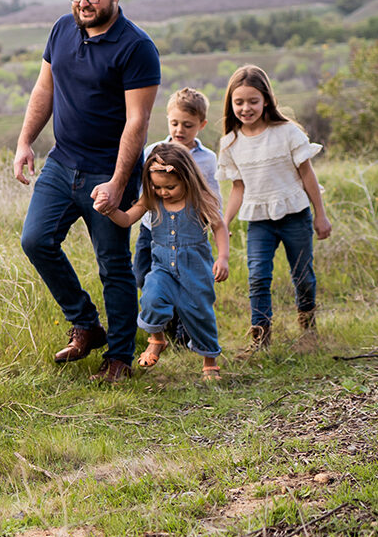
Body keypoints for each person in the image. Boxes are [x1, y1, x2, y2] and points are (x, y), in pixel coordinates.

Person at [14, 0, 161, 382]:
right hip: (62, 162)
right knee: (36, 240)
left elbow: (138, 122)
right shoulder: (62, 29)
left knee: (113, 264)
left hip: (107, 170)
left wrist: (119, 182)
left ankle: (119, 357)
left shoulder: (137, 48)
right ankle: (86, 324)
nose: (82, 3)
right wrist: (25, 142)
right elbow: (45, 89)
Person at [216, 64, 331, 353]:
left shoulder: (286, 132)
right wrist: (225, 222)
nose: (246, 108)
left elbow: (307, 175)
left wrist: (321, 214)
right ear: (230, 103)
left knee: (303, 275)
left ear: (266, 99)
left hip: (295, 215)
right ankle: (261, 337)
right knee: (257, 276)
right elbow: (238, 189)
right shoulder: (230, 144)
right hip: (258, 221)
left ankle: (308, 326)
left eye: (253, 101)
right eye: (239, 102)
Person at [95, 143, 230, 380]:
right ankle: (156, 339)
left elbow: (219, 227)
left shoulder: (200, 201)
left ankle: (210, 362)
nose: (163, 192)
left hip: (196, 270)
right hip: (162, 268)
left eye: (170, 187)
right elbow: (126, 219)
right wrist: (109, 210)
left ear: (187, 179)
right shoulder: (151, 201)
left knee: (200, 313)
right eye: (157, 187)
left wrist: (222, 258)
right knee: (151, 297)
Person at [131, 87, 219, 368]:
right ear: (168, 120)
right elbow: (144, 191)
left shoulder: (206, 158)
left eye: (188, 125)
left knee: (192, 292)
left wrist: (215, 231)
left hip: (188, 233)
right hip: (152, 231)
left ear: (201, 125)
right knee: (146, 281)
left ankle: (186, 335)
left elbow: (212, 197)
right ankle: (160, 331)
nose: (180, 129)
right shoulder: (152, 152)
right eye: (175, 123)